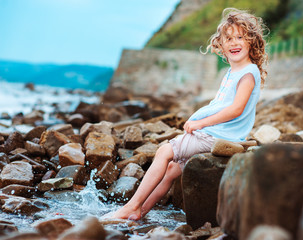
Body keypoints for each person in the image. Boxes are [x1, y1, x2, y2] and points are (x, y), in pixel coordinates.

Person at [105, 7, 268, 220]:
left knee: (164, 151)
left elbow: (235, 109)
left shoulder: (248, 73)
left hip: (216, 136)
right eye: (228, 39)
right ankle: (139, 213)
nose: (234, 42)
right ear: (221, 45)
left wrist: (201, 124)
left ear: (251, 42)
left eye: (240, 37)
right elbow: (219, 104)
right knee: (172, 170)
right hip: (218, 133)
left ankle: (132, 206)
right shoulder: (233, 72)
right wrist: (198, 119)